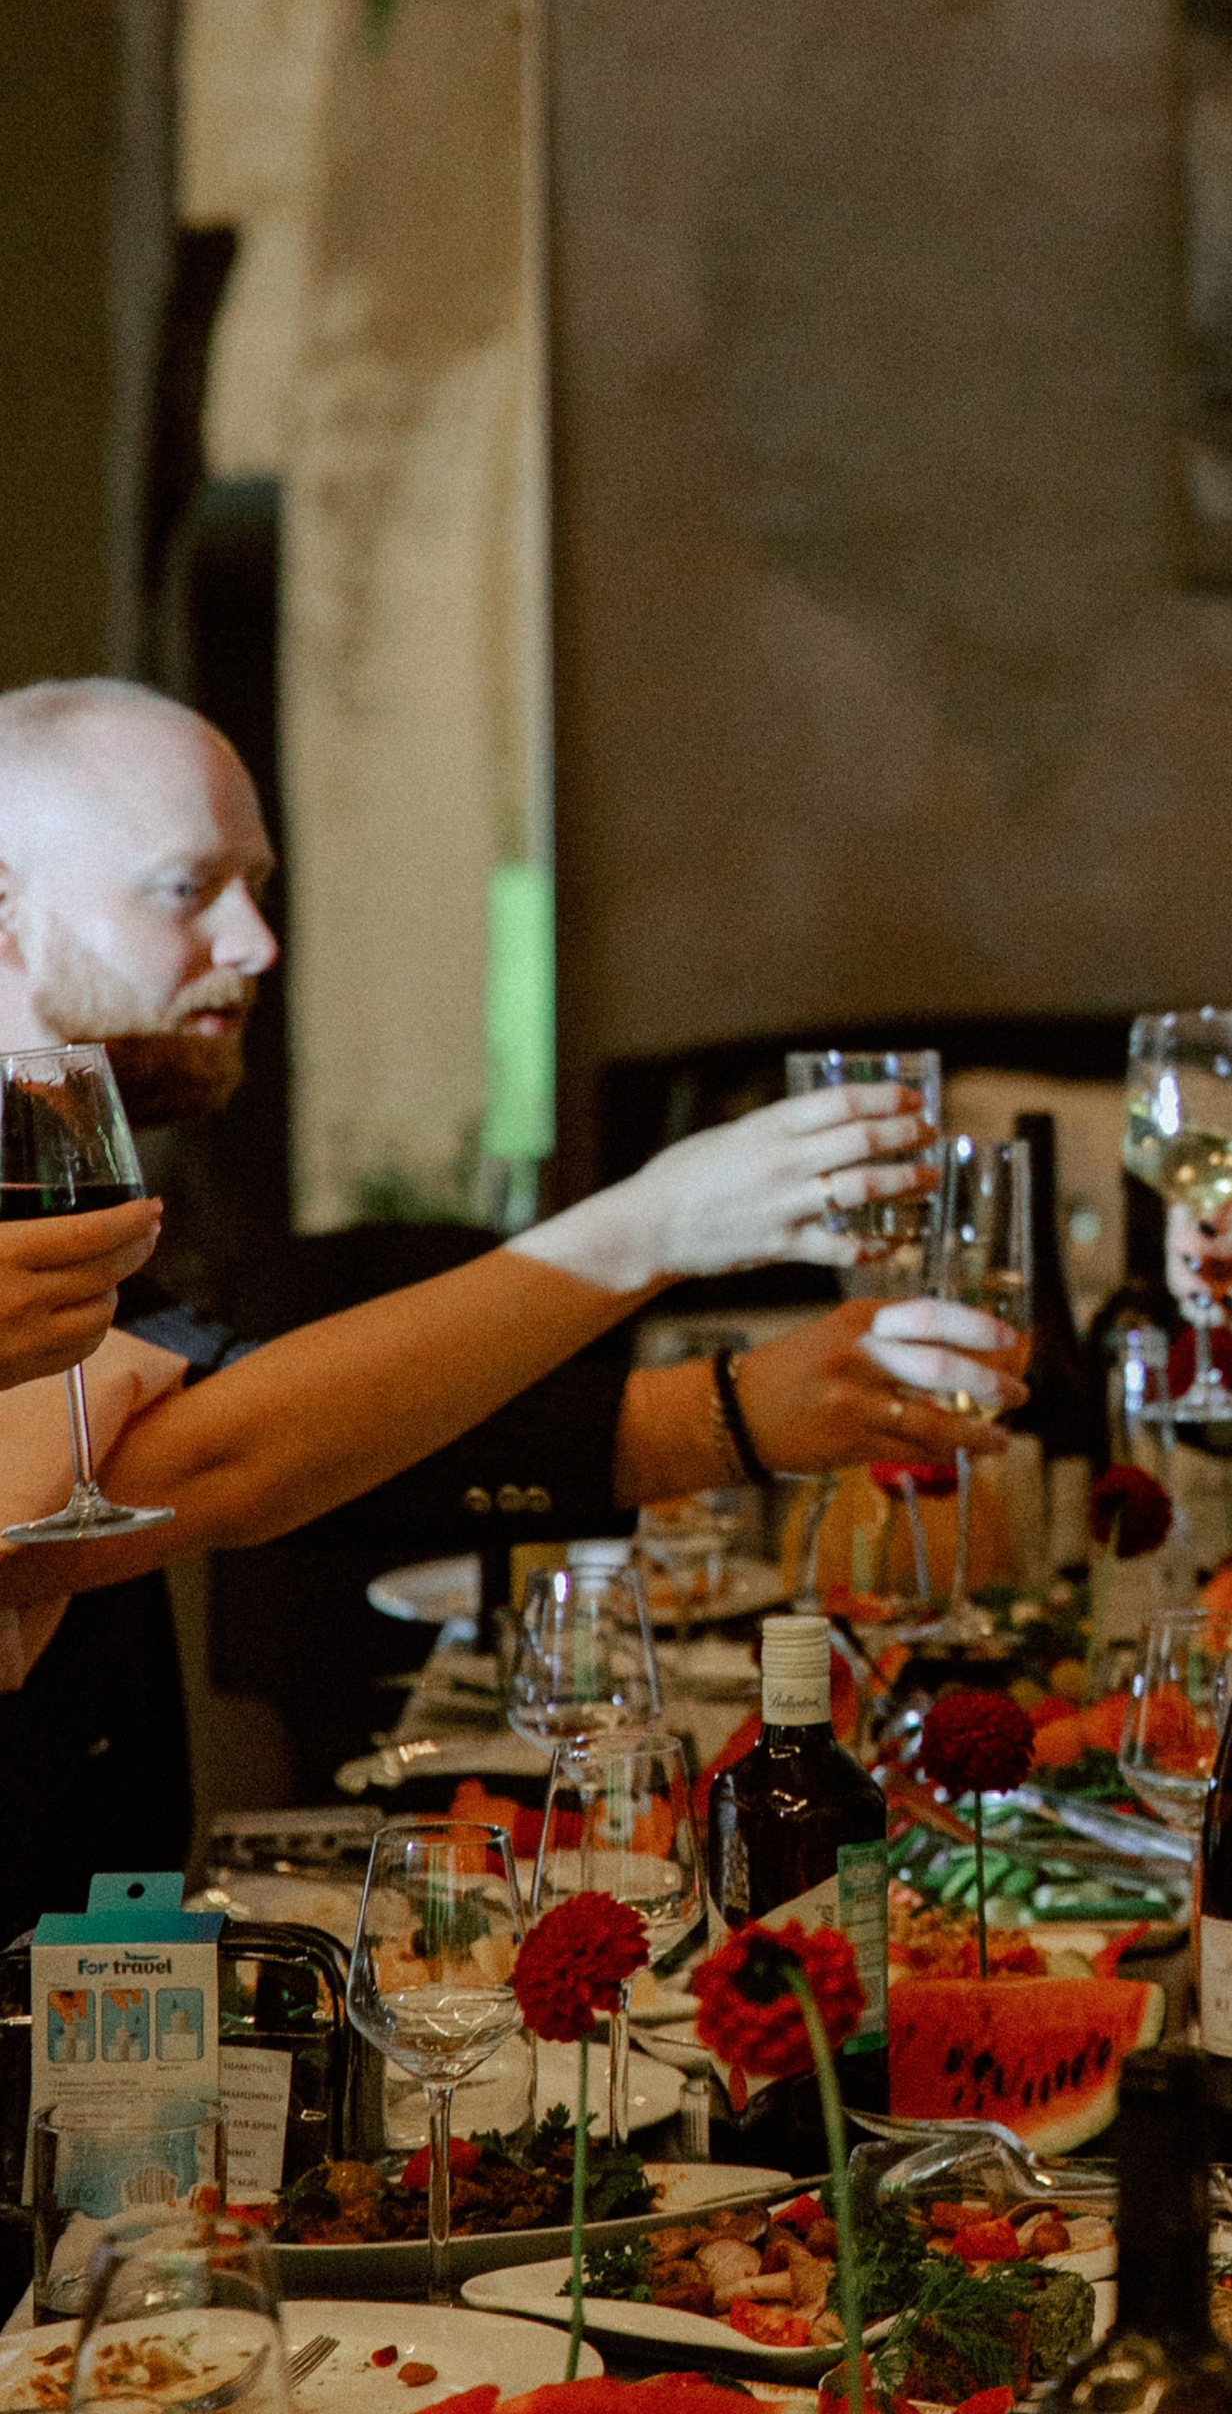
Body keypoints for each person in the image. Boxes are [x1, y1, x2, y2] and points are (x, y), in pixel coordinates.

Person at [0, 675, 1023, 1914]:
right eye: (188, 886)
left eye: (257, 886)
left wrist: (732, 1412)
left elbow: (244, 1418)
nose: (257, 944)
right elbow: (220, 1458)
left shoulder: (60, 1157)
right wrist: (647, 1234)